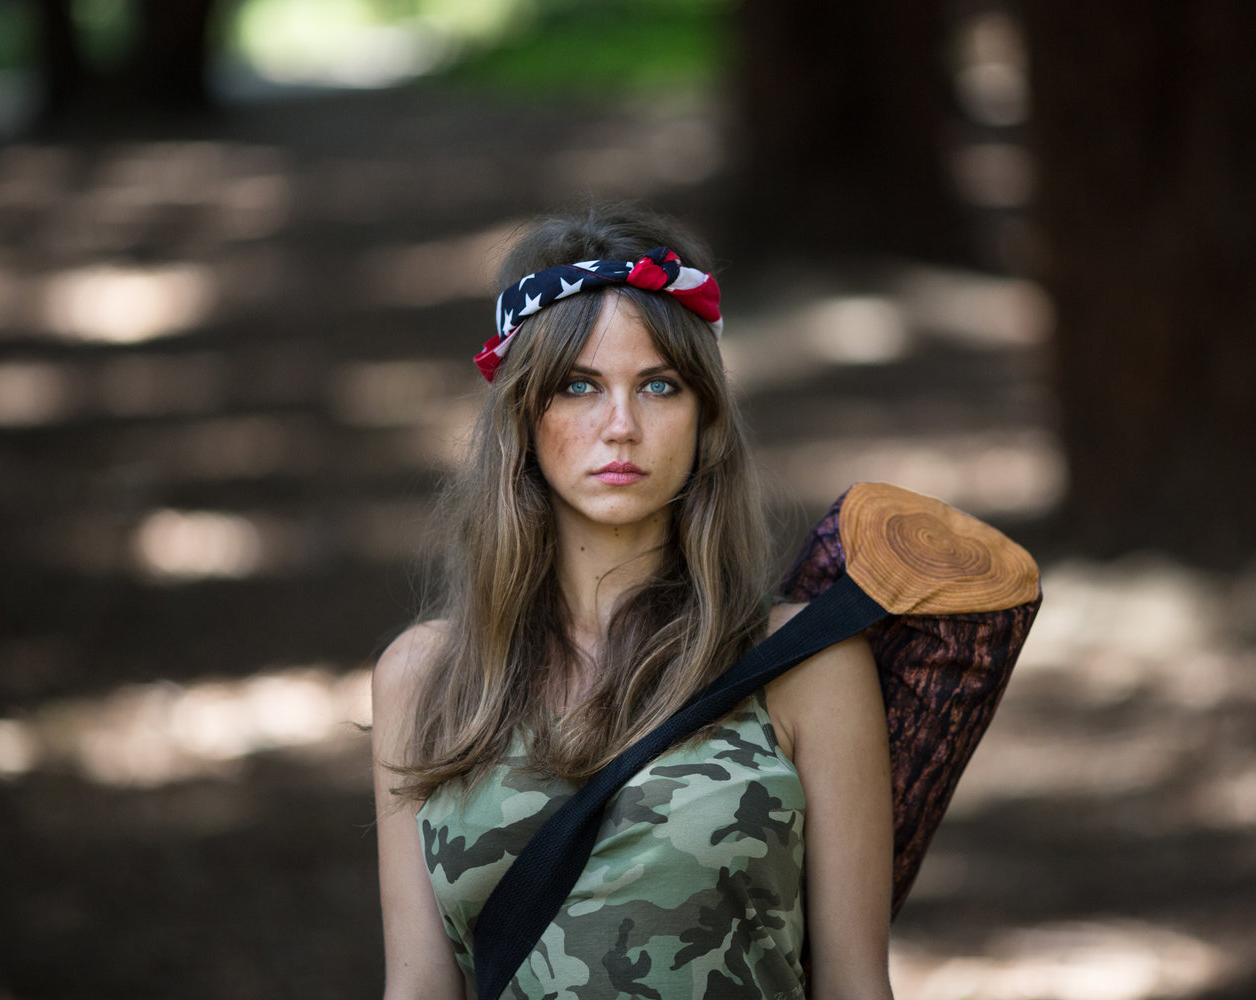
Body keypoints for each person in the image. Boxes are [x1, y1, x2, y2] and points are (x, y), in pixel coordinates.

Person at [371, 206, 894, 1000]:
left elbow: (855, 988)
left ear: (704, 419)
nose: (621, 427)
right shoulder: (425, 679)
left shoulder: (805, 664)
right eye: (578, 386)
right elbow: (416, 990)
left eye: (659, 386)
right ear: (523, 416)